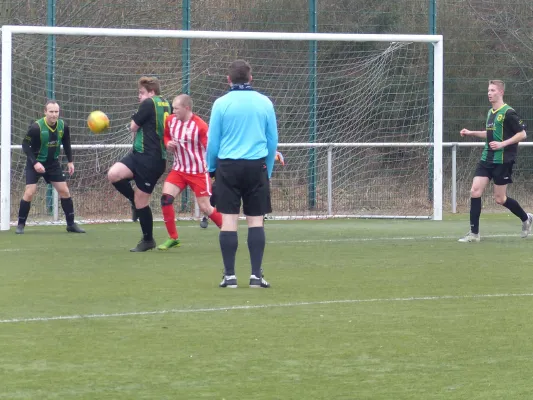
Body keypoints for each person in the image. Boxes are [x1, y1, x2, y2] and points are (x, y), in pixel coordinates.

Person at [206, 59, 279, 288]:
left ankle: (230, 276)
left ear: (228, 80)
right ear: (251, 78)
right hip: (256, 166)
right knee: (256, 221)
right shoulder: (265, 102)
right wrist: (268, 168)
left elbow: (213, 141)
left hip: (228, 167)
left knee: (229, 221)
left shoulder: (221, 103)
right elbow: (272, 140)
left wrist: (211, 169)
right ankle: (256, 276)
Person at [458, 79, 531, 242]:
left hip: (503, 160)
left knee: (500, 199)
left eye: (492, 90)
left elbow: (522, 134)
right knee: (475, 191)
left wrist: (502, 144)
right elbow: (489, 134)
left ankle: (526, 218)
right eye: (488, 91)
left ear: (501, 92)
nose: (489, 93)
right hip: (487, 158)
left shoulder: (509, 112)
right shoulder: (490, 113)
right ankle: (474, 234)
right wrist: (471, 133)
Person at [107, 76, 170, 251]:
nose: (139, 96)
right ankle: (133, 202)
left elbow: (133, 127)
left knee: (142, 201)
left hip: (151, 159)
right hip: (138, 155)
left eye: (142, 93)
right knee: (114, 174)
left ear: (152, 92)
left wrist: (134, 120)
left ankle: (148, 240)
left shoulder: (149, 103)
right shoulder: (166, 103)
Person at [158, 94, 223, 250]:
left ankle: (228, 231)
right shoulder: (170, 121)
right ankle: (173, 238)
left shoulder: (200, 126)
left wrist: (217, 167)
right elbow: (166, 137)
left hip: (198, 172)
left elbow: (211, 149)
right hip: (179, 170)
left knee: (206, 208)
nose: (173, 111)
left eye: (176, 108)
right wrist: (168, 144)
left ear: (187, 108)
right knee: (166, 199)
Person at [16, 100, 85, 234]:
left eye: (56, 112)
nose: (54, 115)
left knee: (64, 191)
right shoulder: (36, 127)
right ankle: (20, 225)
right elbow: (25, 145)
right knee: (30, 192)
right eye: (51, 112)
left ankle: (71, 225)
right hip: (34, 163)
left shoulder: (63, 126)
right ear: (45, 112)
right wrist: (35, 163)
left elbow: (66, 142)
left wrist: (70, 161)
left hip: (52, 164)